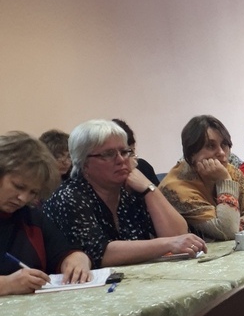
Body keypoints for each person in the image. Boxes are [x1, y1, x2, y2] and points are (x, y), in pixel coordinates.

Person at [43, 120, 206, 268]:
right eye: (108, 154)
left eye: (124, 152)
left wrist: (149, 189)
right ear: (84, 163)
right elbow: (99, 253)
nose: (121, 160)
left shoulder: (130, 190)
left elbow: (179, 236)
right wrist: (167, 244)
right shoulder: (69, 196)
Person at [0, 132, 92, 294]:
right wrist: (6, 284)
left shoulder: (30, 215)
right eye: (18, 186)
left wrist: (78, 260)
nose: (23, 198)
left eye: (33, 192)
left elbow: (63, 251)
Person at [159, 115, 244, 240]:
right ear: (191, 154)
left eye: (224, 145)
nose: (221, 153)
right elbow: (228, 231)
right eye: (210, 146)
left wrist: (235, 224)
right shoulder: (175, 187)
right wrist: (224, 181)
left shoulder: (231, 171)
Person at [112, 118, 160, 186]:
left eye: (132, 152)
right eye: (125, 153)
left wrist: (146, 184)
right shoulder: (110, 175)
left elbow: (158, 192)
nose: (134, 159)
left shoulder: (143, 166)